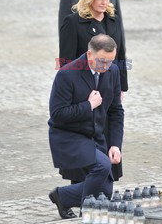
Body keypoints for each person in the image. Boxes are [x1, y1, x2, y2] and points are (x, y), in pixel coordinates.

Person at [48, 34, 124, 219]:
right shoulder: (67, 74)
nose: (106, 67)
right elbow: (57, 115)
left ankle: (63, 196)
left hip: (95, 137)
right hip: (68, 136)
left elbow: (116, 111)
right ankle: (88, 212)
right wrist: (88, 105)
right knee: (102, 165)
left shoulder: (112, 71)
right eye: (102, 62)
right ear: (89, 54)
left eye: (110, 62)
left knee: (105, 192)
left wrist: (115, 144)